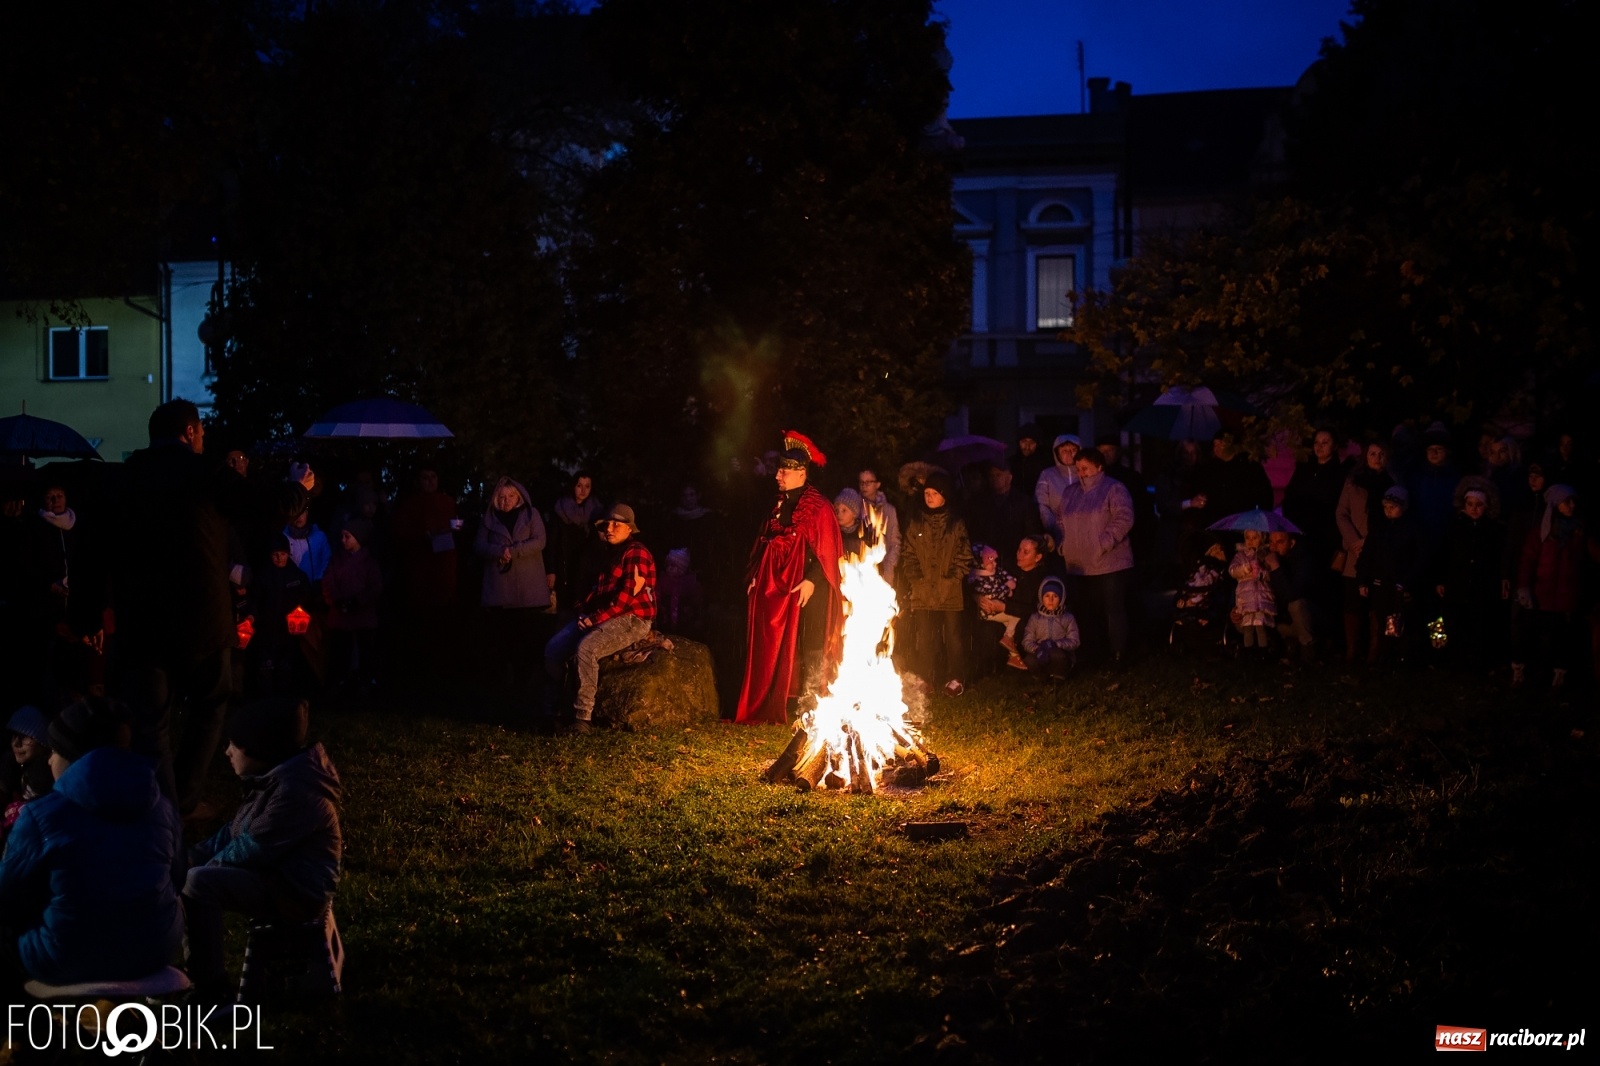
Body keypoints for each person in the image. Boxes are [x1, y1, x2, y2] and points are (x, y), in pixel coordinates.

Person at [110, 399, 309, 816]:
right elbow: (265, 506)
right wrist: (298, 489)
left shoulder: (125, 477)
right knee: (210, 705)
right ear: (188, 432)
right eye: (201, 432)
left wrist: (88, 611)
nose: (204, 439)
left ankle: (162, 803)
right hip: (202, 617)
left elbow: (95, 545)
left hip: (142, 620)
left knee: (151, 719)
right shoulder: (204, 473)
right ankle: (180, 801)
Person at [0, 697, 183, 987]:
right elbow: (176, 875)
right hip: (152, 951)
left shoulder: (39, 816)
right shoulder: (161, 806)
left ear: (74, 756)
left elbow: (9, 893)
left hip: (64, 957)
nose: (49, 760)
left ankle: (22, 1025)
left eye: (56, 751)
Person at [182, 697, 341, 1004]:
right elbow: (233, 832)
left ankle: (210, 986)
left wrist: (199, 870)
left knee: (198, 884)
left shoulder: (295, 792)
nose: (227, 752)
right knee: (191, 873)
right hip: (277, 877)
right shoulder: (273, 779)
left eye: (235, 745)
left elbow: (252, 848)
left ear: (260, 749)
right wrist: (190, 856)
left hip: (296, 891)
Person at [733, 433, 845, 724]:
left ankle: (811, 704)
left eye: (784, 471)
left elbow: (828, 552)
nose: (777, 476)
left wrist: (810, 580)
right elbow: (765, 544)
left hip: (812, 587)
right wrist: (758, 576)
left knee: (811, 643)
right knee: (782, 644)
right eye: (778, 470)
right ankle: (776, 699)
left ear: (801, 473)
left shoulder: (819, 507)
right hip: (779, 587)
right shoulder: (777, 506)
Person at [544, 504, 657, 732]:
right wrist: (582, 610)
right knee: (553, 649)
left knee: (587, 648)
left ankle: (582, 718)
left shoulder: (637, 552)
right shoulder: (610, 554)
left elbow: (626, 598)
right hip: (604, 616)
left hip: (633, 618)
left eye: (617, 524)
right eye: (606, 524)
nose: (610, 528)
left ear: (629, 529)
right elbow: (598, 592)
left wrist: (594, 619)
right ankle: (555, 711)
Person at [1054, 448, 1136, 663]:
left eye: (1085, 469)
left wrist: (1104, 542)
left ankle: (1118, 653)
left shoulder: (1114, 489)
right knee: (1086, 610)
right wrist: (1065, 542)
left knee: (1112, 609)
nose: (1081, 473)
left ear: (1099, 467)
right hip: (1078, 563)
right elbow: (1061, 519)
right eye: (1078, 469)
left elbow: (1124, 517)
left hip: (1110, 563)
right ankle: (1092, 652)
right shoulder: (1071, 492)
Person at [475, 477, 551, 702]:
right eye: (501, 497)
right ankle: (503, 687)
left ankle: (524, 684)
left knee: (526, 638)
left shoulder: (531, 514)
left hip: (528, 589)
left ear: (519, 497)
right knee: (502, 638)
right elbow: (479, 546)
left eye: (510, 496)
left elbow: (540, 541)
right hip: (501, 589)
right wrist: (498, 551)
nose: (505, 501)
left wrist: (515, 550)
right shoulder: (489, 519)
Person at [899, 472, 974, 695]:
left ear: (944, 496)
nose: (929, 497)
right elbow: (908, 553)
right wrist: (916, 578)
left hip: (950, 591)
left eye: (934, 493)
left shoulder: (955, 524)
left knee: (953, 636)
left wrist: (952, 579)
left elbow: (964, 555)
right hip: (922, 591)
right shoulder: (916, 523)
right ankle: (925, 677)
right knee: (925, 635)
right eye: (927, 493)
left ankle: (955, 678)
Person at [1512, 485, 1593, 690]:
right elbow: (1528, 561)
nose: (1572, 506)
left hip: (1566, 596)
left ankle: (1558, 676)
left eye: (1573, 501)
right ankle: (1528, 674)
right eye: (1567, 502)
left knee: (1562, 639)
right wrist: (1524, 587)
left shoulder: (1579, 532)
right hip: (1542, 595)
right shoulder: (1542, 533)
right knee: (1537, 636)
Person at [1435, 480, 1505, 667]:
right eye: (1470, 504)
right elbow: (1444, 554)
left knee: (1479, 623)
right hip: (1457, 582)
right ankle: (1456, 659)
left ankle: (1477, 662)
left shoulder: (1493, 529)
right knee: (1456, 621)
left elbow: (1498, 557)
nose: (1474, 509)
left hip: (1482, 583)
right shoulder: (1455, 526)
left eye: (1479, 505)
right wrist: (1441, 579)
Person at [1335, 441, 1394, 665]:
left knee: (1377, 603)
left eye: (1381, 454)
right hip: (1356, 550)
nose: (1376, 458)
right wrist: (1355, 542)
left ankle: (1374, 651)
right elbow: (1341, 513)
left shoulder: (1391, 484)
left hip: (1380, 552)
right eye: (1372, 453)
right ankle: (1351, 649)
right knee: (1352, 602)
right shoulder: (1353, 482)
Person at [1356, 486, 1426, 664]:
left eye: (1393, 507)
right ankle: (1383, 656)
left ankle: (1403, 656)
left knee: (1401, 621)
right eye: (1385, 507)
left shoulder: (1412, 529)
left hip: (1401, 585)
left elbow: (1418, 559)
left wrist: (1406, 581)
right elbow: (1367, 555)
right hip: (1380, 584)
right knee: (1382, 620)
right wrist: (1363, 580)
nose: (1388, 511)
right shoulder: (1379, 529)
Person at [322, 517, 384, 694]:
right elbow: (328, 582)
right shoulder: (337, 560)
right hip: (341, 618)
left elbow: (375, 588)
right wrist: (337, 601)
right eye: (342, 536)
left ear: (358, 537)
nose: (343, 540)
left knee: (365, 651)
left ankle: (365, 681)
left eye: (347, 536)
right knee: (341, 651)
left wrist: (357, 602)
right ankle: (341, 681)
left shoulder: (369, 562)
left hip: (363, 617)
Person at [549, 471, 605, 607]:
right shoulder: (561, 508)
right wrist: (550, 570)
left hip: (587, 568)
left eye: (587, 486)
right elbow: (552, 542)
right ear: (573, 486)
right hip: (564, 566)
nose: (583, 490)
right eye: (579, 485)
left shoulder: (597, 511)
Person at [1265, 530, 1318, 663]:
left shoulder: (1302, 561)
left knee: (1297, 605)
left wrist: (1276, 567)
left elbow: (1291, 594)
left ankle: (1308, 652)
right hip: (1279, 619)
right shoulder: (1263, 559)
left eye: (1280, 542)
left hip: (1307, 619)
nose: (1274, 547)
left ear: (1291, 543)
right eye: (1271, 542)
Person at [3, 706, 54, 844]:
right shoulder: (13, 766)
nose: (16, 743)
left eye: (26, 737)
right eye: (14, 736)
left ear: (42, 742)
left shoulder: (43, 773)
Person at [967, 544, 1022, 669]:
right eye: (991, 562)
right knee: (1016, 615)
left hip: (998, 610)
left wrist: (1010, 581)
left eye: (995, 561)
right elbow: (992, 594)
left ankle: (1014, 656)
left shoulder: (996, 572)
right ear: (981, 563)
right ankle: (1007, 638)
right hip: (989, 613)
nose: (995, 564)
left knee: (1011, 625)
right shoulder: (977, 578)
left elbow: (1006, 576)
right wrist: (1006, 588)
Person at [1228, 530, 1276, 659]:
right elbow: (1232, 571)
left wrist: (1261, 573)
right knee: (1248, 626)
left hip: (1261, 597)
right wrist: (1246, 568)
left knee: (1260, 625)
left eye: (1254, 538)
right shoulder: (1240, 555)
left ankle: (1263, 652)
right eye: (1248, 537)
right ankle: (1248, 652)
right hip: (1246, 597)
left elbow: (1271, 574)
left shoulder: (1265, 555)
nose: (1250, 540)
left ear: (1261, 539)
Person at [1020, 575, 1079, 679]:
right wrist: (1038, 649)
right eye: (1047, 595)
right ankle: (1040, 677)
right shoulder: (1035, 618)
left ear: (1061, 598)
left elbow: (1074, 641)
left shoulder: (1068, 618)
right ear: (1041, 597)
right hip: (1040, 652)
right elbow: (1027, 640)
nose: (1050, 600)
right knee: (1030, 660)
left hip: (1060, 654)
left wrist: (1055, 644)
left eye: (1055, 596)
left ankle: (1059, 676)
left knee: (1056, 655)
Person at [1034, 434, 1081, 551]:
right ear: (1057, 452)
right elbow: (1041, 504)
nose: (1069, 454)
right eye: (1064, 450)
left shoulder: (1085, 473)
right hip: (1056, 536)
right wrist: (1054, 528)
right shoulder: (1047, 475)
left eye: (1073, 450)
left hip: (1082, 536)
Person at [856, 469, 900, 586]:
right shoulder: (855, 507)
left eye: (868, 482)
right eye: (862, 482)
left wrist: (889, 565)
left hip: (883, 569)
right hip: (860, 567)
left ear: (877, 484)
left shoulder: (888, 510)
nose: (864, 486)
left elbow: (894, 541)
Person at [1009, 425, 1051, 497]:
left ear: (1037, 444)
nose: (1027, 446)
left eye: (1032, 442)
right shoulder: (1010, 463)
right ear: (1018, 442)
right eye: (1024, 441)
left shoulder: (1045, 464)